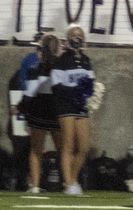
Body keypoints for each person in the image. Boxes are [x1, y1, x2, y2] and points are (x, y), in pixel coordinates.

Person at [51, 24, 94, 196]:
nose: (77, 38)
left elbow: (90, 83)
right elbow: (56, 86)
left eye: (80, 35)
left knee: (84, 147)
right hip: (66, 105)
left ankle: (73, 179)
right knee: (68, 145)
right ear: (67, 40)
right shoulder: (61, 61)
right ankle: (68, 183)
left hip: (81, 106)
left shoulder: (86, 60)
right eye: (74, 35)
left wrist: (87, 92)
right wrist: (74, 91)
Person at [20, 32, 61, 194]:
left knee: (36, 150)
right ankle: (69, 183)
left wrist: (22, 108)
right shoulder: (61, 66)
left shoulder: (35, 68)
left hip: (39, 109)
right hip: (56, 109)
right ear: (58, 48)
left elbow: (30, 93)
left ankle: (35, 185)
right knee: (63, 149)